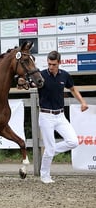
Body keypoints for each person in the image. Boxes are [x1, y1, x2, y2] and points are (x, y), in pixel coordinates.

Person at [18, 50, 89, 184]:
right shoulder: (41, 75)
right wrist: (23, 83)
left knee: (73, 141)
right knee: (50, 149)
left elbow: (73, 89)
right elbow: (29, 84)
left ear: (59, 63)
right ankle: (45, 175)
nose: (51, 67)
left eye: (54, 64)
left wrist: (83, 102)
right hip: (46, 116)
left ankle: (49, 152)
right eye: (49, 64)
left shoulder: (65, 76)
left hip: (60, 116)